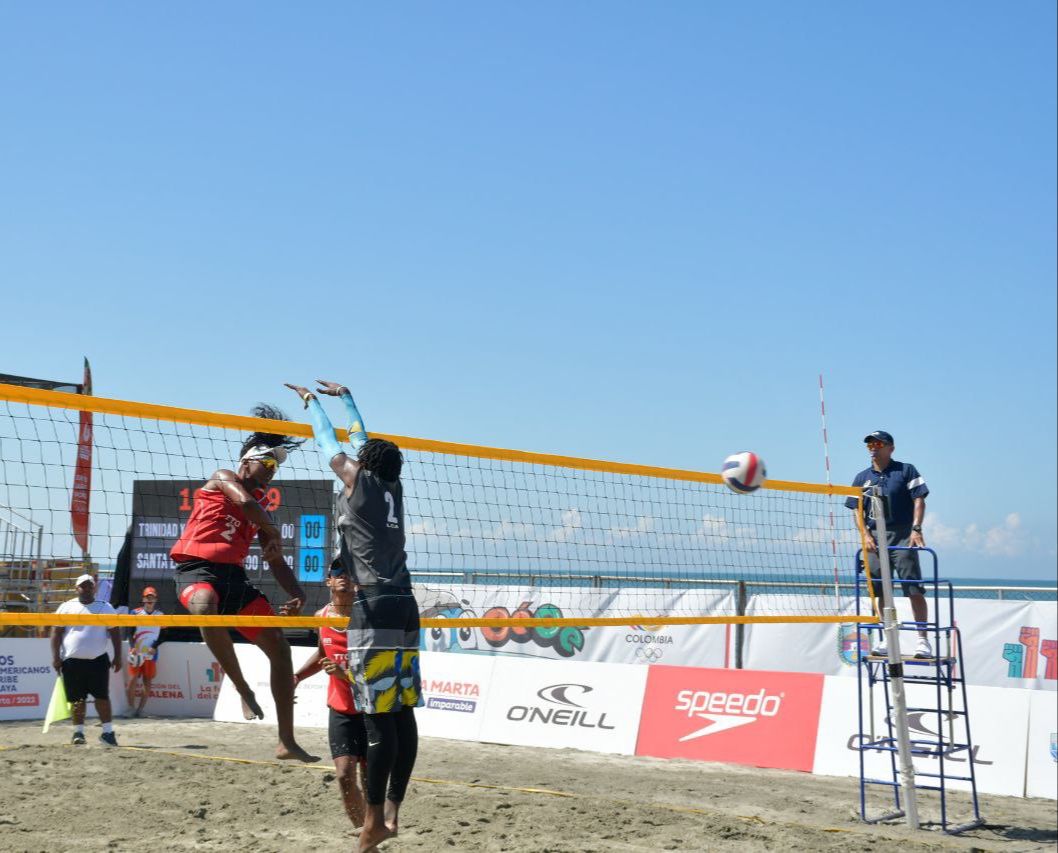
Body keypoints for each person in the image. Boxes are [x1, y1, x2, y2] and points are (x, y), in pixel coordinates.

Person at [286, 380, 421, 853]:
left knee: (379, 718)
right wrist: (348, 399)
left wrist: (313, 404)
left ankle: (371, 824)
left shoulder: (360, 482)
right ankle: (392, 813)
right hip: (406, 605)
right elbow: (363, 440)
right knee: (401, 711)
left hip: (377, 606)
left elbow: (329, 443)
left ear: (363, 464)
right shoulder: (392, 486)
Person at [169, 404, 319, 762]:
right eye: (267, 464)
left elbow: (276, 560)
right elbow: (248, 506)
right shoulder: (223, 477)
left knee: (280, 649)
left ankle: (287, 741)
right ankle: (241, 687)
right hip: (195, 570)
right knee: (206, 606)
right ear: (246, 461)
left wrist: (298, 594)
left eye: (276, 467)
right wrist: (269, 528)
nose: (272, 472)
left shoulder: (263, 506)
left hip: (233, 577)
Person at [294, 562, 368, 834]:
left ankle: (371, 832)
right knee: (344, 777)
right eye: (337, 573)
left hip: (371, 709)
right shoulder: (321, 616)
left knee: (371, 782)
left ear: (356, 582)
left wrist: (344, 673)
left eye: (347, 573)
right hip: (341, 709)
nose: (343, 577)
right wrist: (297, 677)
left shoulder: (366, 616)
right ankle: (364, 831)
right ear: (328, 582)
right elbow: (323, 654)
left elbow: (377, 668)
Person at [846, 430, 932, 658]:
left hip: (902, 533)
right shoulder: (861, 477)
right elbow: (856, 509)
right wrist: (865, 534)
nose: (873, 447)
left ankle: (923, 640)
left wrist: (916, 528)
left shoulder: (906, 470)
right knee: (880, 590)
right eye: (869, 444)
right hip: (874, 537)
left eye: (878, 443)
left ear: (890, 448)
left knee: (912, 587)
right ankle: (888, 637)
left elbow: (919, 498)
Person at [51, 574, 123, 746]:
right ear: (77, 588)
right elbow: (56, 633)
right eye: (83, 585)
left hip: (98, 660)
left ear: (95, 588)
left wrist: (118, 656)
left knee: (102, 698)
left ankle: (108, 733)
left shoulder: (105, 607)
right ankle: (78, 734)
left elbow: (115, 633)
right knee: (77, 700)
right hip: (72, 661)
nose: (87, 588)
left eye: (90, 585)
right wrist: (55, 658)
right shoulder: (66, 607)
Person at [125, 586, 164, 718]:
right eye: (147, 597)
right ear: (143, 599)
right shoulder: (134, 613)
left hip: (151, 653)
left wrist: (155, 646)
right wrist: (132, 646)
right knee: (132, 681)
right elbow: (129, 632)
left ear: (155, 599)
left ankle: (140, 710)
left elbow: (165, 634)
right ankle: (131, 708)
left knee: (147, 683)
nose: (149, 600)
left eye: (152, 597)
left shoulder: (160, 615)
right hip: (137, 652)